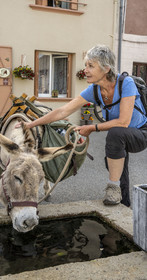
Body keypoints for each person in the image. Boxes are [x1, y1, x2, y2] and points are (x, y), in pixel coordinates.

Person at [21, 45, 147, 207]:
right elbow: (62, 111)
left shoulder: (126, 83)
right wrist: (31, 124)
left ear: (106, 68)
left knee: (116, 134)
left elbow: (123, 122)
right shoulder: (94, 90)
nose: (85, 70)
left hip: (141, 133)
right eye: (86, 65)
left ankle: (112, 187)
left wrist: (91, 128)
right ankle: (124, 203)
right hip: (122, 134)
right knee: (116, 161)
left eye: (90, 66)